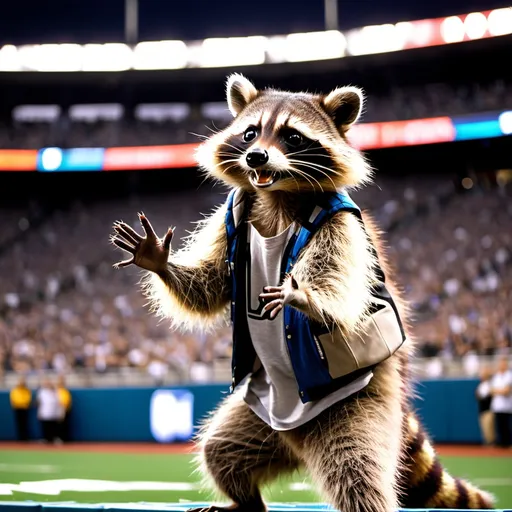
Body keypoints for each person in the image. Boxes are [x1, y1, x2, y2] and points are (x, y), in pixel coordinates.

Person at [490, 357, 512, 448]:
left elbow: (507, 391)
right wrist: (500, 391)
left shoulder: (509, 375)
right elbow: (491, 390)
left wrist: (497, 391)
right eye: (500, 363)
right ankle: (501, 445)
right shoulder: (496, 376)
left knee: (508, 426)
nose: (501, 365)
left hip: (507, 407)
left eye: (503, 363)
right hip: (497, 406)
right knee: (499, 427)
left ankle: (509, 445)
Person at [36, 378, 62, 444]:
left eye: (49, 383)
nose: (48, 385)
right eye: (46, 383)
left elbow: (59, 403)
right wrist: (39, 412)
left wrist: (60, 412)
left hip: (54, 413)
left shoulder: (56, 392)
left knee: (54, 426)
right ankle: (46, 439)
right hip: (45, 412)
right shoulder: (42, 392)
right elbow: (39, 403)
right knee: (45, 426)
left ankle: (54, 438)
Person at [475, 366, 495, 445]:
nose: (482, 376)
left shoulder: (491, 383)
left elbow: (490, 395)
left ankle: (492, 443)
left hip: (489, 408)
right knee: (484, 428)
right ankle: (487, 443)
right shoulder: (481, 385)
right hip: (481, 409)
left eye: (484, 374)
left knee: (489, 427)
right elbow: (477, 395)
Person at [9, 376, 32, 441]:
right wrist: (18, 404)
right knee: (19, 424)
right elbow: (13, 400)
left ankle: (25, 437)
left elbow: (28, 400)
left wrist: (23, 404)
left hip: (25, 409)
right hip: (17, 409)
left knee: (25, 424)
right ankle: (20, 438)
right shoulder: (15, 390)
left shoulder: (27, 390)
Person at [56, 375, 72, 442]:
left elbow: (67, 401)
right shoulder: (56, 391)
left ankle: (64, 438)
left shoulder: (65, 391)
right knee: (57, 425)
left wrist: (64, 408)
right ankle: (58, 437)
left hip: (64, 410)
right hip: (56, 410)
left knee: (64, 425)